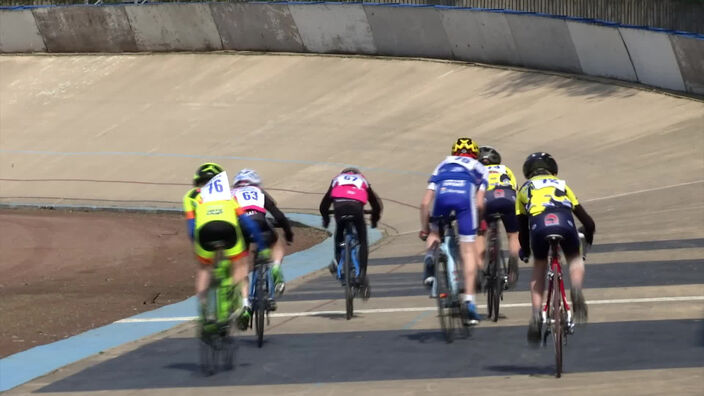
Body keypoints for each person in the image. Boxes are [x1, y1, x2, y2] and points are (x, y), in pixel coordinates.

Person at [516, 152, 595, 345]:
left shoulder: (524, 190)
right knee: (574, 258)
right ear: (552, 170)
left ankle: (536, 314)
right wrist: (588, 238)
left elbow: (522, 230)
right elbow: (588, 221)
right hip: (564, 224)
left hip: (539, 226)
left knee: (540, 266)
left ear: (528, 172)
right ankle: (575, 289)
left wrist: (525, 250)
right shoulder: (562, 185)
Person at [183, 163, 269, 331]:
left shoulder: (190, 196)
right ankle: (244, 304)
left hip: (205, 233)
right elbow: (247, 223)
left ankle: (205, 315)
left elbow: (192, 227)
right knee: (240, 265)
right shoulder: (229, 195)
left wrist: (198, 247)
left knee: (204, 270)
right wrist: (262, 245)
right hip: (229, 231)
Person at [419, 138, 488, 324]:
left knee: (435, 233)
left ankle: (429, 257)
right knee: (468, 252)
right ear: (475, 154)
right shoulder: (480, 167)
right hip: (465, 201)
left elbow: (425, 203)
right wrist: (479, 222)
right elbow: (480, 203)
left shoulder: (443, 163)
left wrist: (426, 229)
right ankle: (469, 302)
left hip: (442, 198)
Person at [232, 168, 294, 310]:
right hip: (261, 223)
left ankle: (245, 303)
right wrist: (288, 232)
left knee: (241, 265)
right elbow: (278, 216)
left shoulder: (231, 194)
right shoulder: (259, 192)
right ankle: (276, 267)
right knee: (276, 241)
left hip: (241, 227)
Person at [319, 167, 383, 299]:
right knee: (363, 241)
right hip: (356, 209)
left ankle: (337, 262)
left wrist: (325, 219)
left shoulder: (336, 179)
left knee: (339, 235)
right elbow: (376, 205)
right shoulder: (362, 180)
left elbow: (324, 205)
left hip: (340, 209)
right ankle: (362, 275)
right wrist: (374, 219)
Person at [475, 145, 520, 289]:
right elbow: (515, 188)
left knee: (480, 232)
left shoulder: (476, 170)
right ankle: (513, 262)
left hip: (487, 200)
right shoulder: (506, 169)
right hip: (508, 198)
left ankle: (480, 269)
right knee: (513, 234)